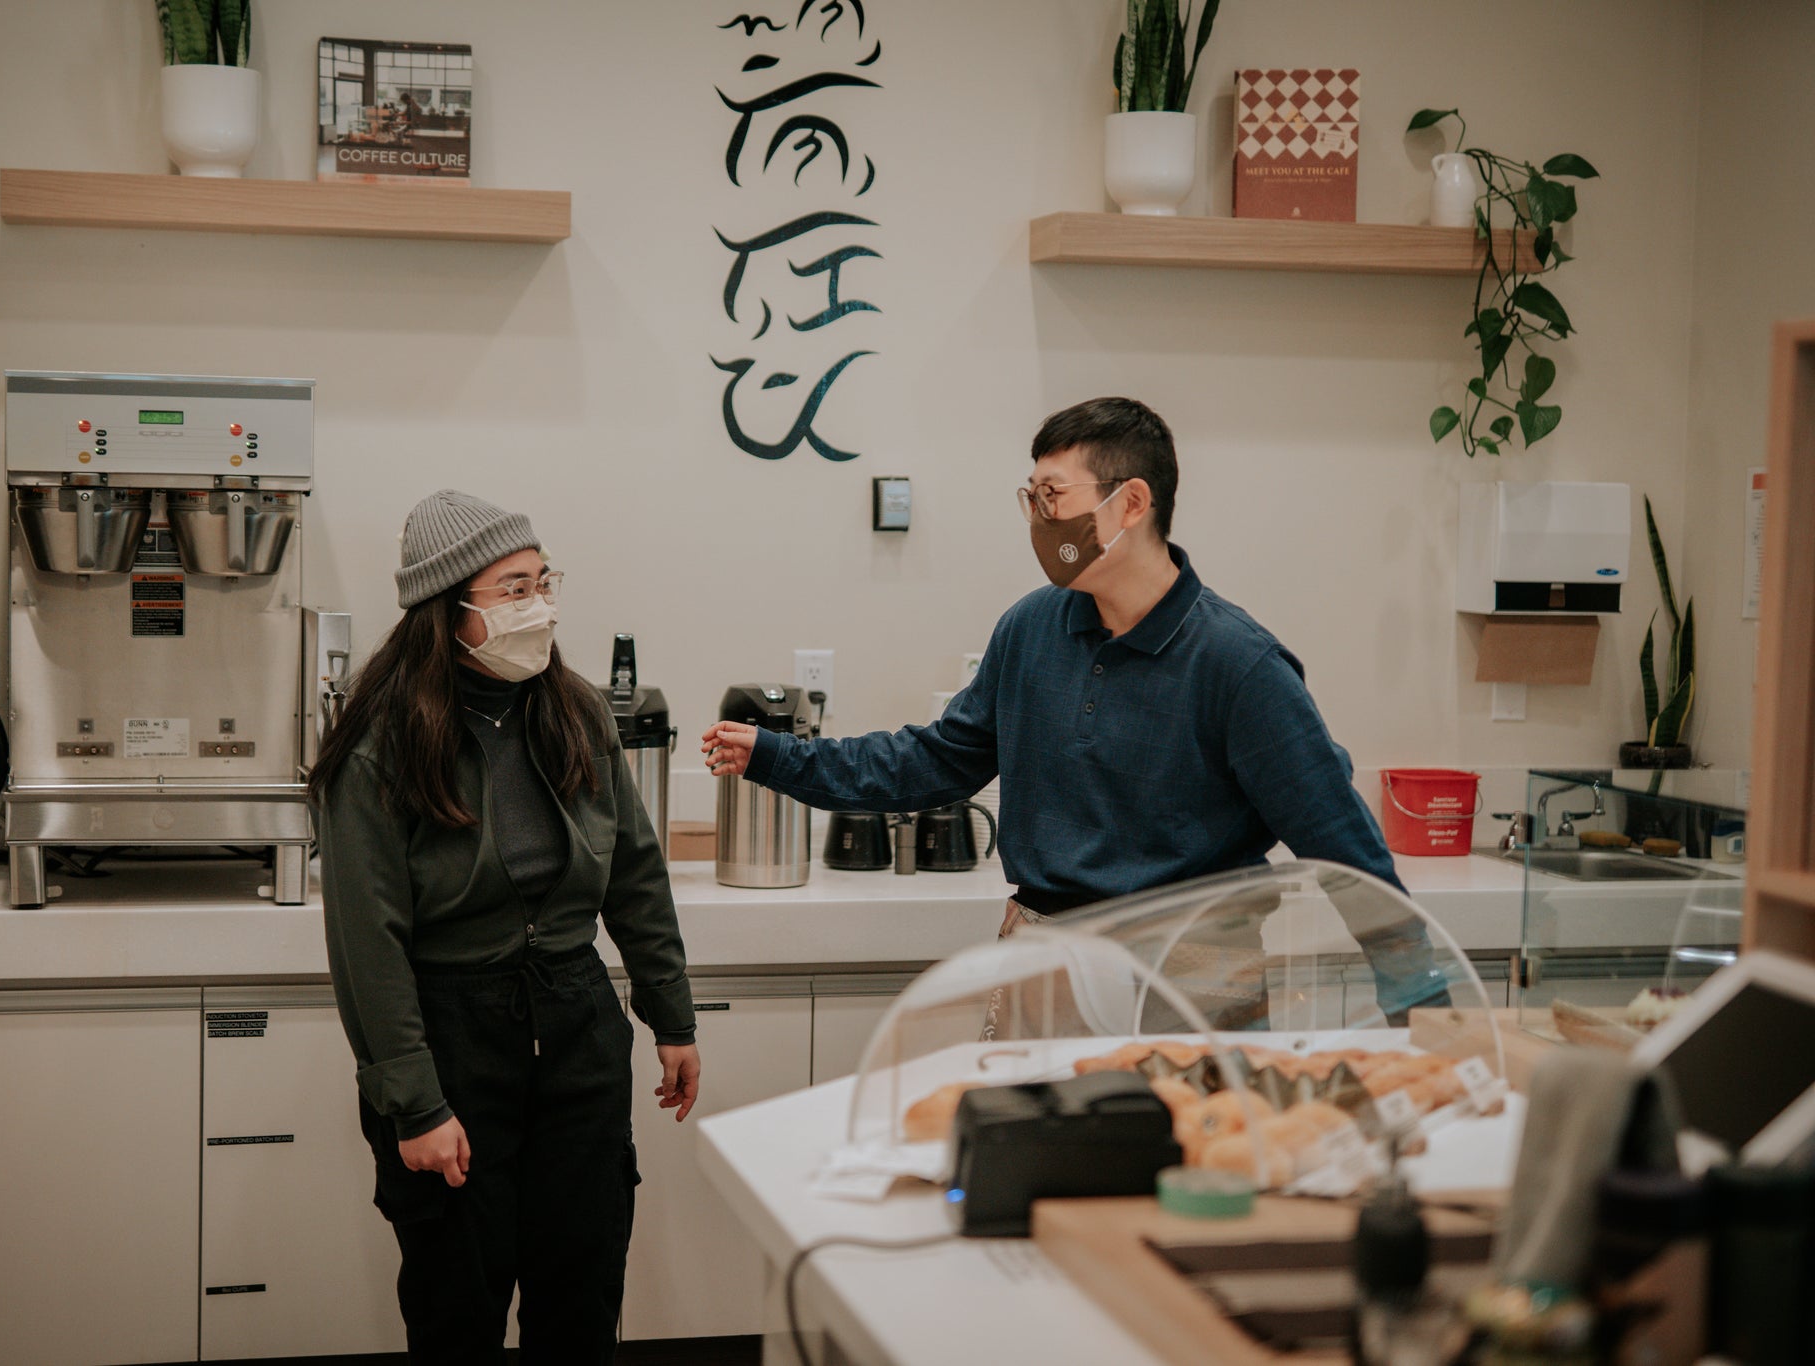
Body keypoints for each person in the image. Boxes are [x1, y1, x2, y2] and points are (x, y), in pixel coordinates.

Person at [701, 397, 1446, 1023]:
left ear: (1131, 503)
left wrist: (1421, 1001)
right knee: (1025, 1172)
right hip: (1044, 947)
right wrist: (777, 756)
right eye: (1031, 497)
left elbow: (1339, 839)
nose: (1038, 517)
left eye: (1053, 496)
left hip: (1193, 965)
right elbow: (934, 760)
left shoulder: (1238, 663)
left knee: (1179, 1180)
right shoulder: (1032, 627)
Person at [312, 490, 701, 1364]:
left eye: (542, 582)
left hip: (575, 1022)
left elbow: (635, 874)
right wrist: (416, 1104)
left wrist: (671, 1016)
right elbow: (367, 944)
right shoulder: (382, 744)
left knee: (582, 1287)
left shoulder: (577, 712)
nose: (539, 607)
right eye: (512, 589)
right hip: (453, 1034)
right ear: (449, 613)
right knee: (460, 1301)